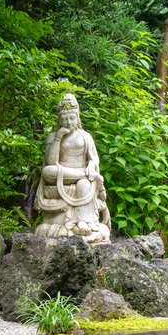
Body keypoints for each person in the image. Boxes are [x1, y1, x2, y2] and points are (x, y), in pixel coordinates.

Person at [34, 93, 111, 244]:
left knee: (84, 183)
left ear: (77, 117)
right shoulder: (53, 136)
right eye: (64, 119)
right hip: (61, 172)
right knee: (48, 171)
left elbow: (94, 158)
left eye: (72, 118)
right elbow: (51, 161)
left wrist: (90, 166)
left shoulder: (85, 136)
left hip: (81, 173)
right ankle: (83, 175)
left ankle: (84, 222)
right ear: (59, 119)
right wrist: (59, 137)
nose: (69, 122)